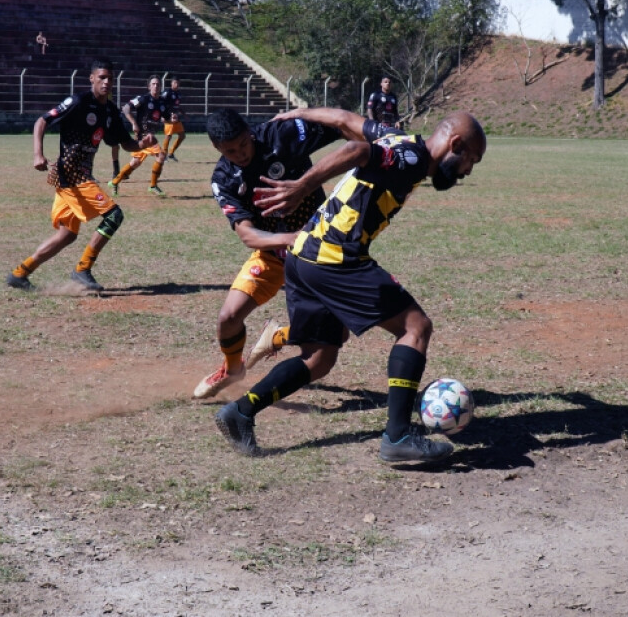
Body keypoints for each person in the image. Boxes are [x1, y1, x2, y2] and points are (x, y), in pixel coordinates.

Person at [214, 106, 487, 463]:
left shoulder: (396, 136)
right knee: (416, 327)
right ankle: (398, 437)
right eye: (472, 160)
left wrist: (303, 112)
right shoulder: (412, 156)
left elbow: (344, 121)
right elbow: (357, 150)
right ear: (455, 143)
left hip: (303, 254)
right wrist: (302, 186)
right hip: (335, 256)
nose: (467, 171)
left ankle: (239, 412)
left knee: (319, 359)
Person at [192, 108, 344, 399]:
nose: (241, 154)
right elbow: (248, 234)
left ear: (250, 132)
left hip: (318, 254)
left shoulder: (281, 135)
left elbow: (340, 126)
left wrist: (305, 113)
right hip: (273, 253)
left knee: (334, 337)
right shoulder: (223, 177)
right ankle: (233, 367)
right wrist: (291, 238)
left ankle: (274, 337)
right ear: (217, 148)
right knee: (228, 317)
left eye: (243, 145)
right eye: (231, 151)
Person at [6, 60, 155, 292]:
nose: (106, 82)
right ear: (92, 79)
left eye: (110, 78)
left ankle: (20, 273)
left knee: (67, 235)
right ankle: (82, 269)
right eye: (102, 77)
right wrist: (38, 154)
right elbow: (42, 121)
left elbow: (125, 143)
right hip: (71, 175)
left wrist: (141, 144)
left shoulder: (109, 111)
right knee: (114, 216)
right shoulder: (78, 102)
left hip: (78, 176)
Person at [109, 75, 171, 197]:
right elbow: (126, 108)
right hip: (144, 137)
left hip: (149, 137)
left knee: (135, 163)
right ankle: (153, 186)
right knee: (161, 156)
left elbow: (167, 118)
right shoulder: (143, 99)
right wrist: (133, 123)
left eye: (158, 84)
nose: (156, 86)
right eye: (153, 84)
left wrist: (172, 118)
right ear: (149, 87)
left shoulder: (162, 103)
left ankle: (115, 182)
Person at [160, 78, 186, 161]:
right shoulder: (167, 92)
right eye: (175, 83)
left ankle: (171, 153)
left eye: (178, 83)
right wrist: (163, 115)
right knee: (168, 136)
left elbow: (177, 105)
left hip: (176, 117)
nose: (177, 84)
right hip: (168, 117)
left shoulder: (178, 93)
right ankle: (164, 155)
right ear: (171, 83)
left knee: (182, 136)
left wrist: (184, 114)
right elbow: (160, 103)